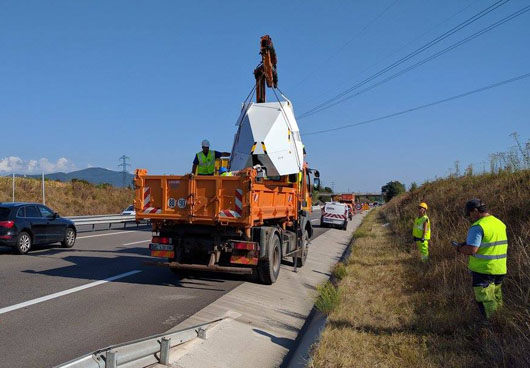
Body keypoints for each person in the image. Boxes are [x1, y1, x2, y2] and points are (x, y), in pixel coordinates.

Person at [455, 199, 508, 319]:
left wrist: (459, 248)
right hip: (499, 268)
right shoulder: (499, 223)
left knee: (486, 301)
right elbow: (490, 243)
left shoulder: (478, 226)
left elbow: (472, 250)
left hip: (483, 271)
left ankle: (491, 327)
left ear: (475, 211)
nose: (469, 217)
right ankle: (501, 322)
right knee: (496, 299)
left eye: (469, 214)